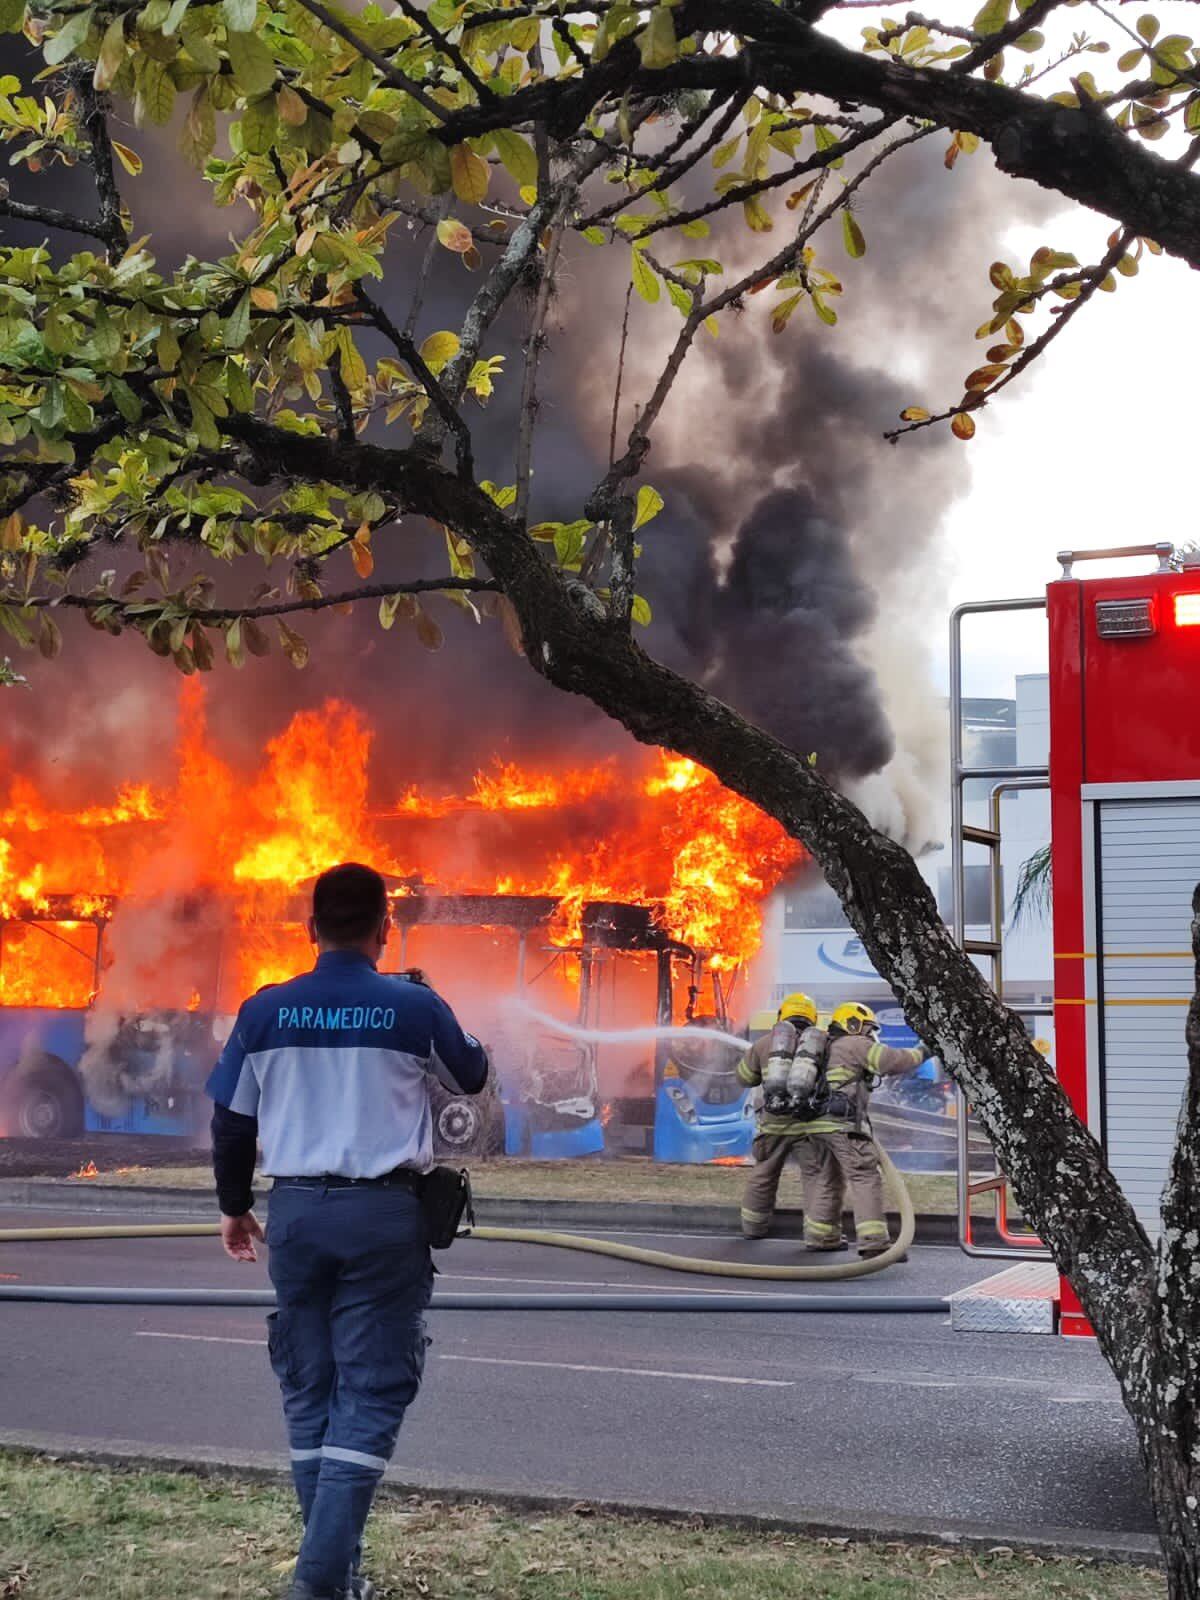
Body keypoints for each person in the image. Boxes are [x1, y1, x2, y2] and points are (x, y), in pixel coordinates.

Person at [206, 862, 488, 1600]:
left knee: (310, 1390)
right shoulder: (413, 1006)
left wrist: (234, 1206)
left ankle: (335, 1578)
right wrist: (431, 1003)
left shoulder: (263, 1011)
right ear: (385, 928)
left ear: (310, 929)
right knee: (371, 1394)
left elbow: (231, 1123)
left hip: (296, 1216)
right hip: (383, 1218)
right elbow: (472, 1074)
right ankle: (320, 1582)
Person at [791, 1001, 928, 1257]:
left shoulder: (823, 1047)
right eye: (867, 1028)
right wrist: (924, 1051)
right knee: (864, 1176)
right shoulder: (855, 1044)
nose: (870, 1034)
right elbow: (894, 1062)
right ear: (853, 1024)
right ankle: (873, 1242)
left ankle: (821, 1236)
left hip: (813, 1126)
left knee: (827, 1179)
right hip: (842, 1125)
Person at [736, 991, 822, 1240]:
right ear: (813, 1018)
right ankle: (819, 1234)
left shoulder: (764, 1044)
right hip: (808, 1124)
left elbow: (744, 1078)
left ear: (781, 1015)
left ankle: (753, 1227)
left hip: (773, 1123)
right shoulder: (822, 1043)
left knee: (764, 1174)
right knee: (815, 1177)